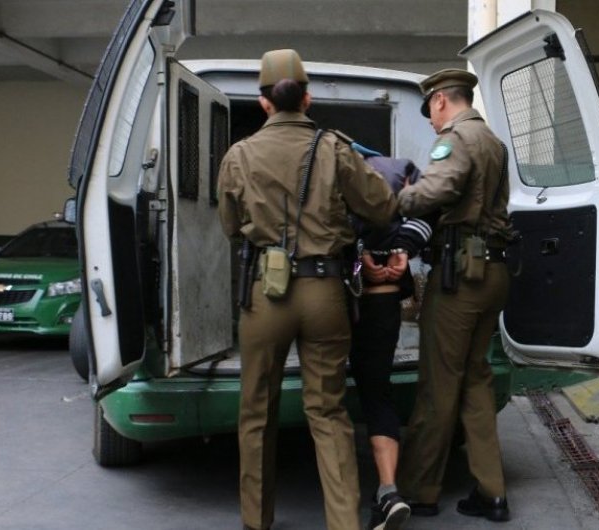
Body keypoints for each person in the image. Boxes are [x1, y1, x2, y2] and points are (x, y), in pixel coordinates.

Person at [216, 49, 398, 530]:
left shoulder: (239, 155)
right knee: (328, 411)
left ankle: (256, 520)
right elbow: (382, 207)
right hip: (325, 292)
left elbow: (230, 226)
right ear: (307, 97)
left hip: (265, 293)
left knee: (257, 411)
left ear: (264, 102)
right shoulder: (334, 147)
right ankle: (344, 523)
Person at [395, 68, 515, 522]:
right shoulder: (494, 142)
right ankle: (492, 491)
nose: (430, 119)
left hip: (461, 277)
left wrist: (403, 196)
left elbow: (440, 189)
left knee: (439, 384)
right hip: (493, 271)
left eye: (429, 109)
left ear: (441, 100)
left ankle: (419, 490)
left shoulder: (457, 138)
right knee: (475, 379)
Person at [347, 152, 430, 530]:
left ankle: (340, 492)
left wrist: (360, 255)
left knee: (326, 400)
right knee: (377, 393)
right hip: (384, 301)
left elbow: (330, 229)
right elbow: (427, 215)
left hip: (341, 300)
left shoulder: (340, 178)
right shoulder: (405, 178)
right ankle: (388, 490)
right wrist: (402, 250)